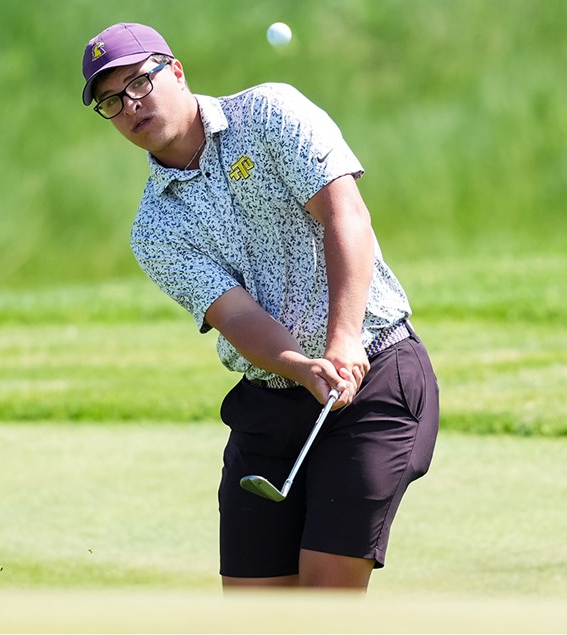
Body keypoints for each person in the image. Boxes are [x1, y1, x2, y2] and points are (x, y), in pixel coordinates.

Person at [80, 22, 439, 591]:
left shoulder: (270, 113)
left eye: (139, 83)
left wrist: (343, 340)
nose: (130, 106)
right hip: (270, 405)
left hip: (373, 377)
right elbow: (237, 316)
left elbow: (345, 215)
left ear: (176, 71)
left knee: (324, 602)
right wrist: (301, 366)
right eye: (111, 101)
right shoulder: (155, 228)